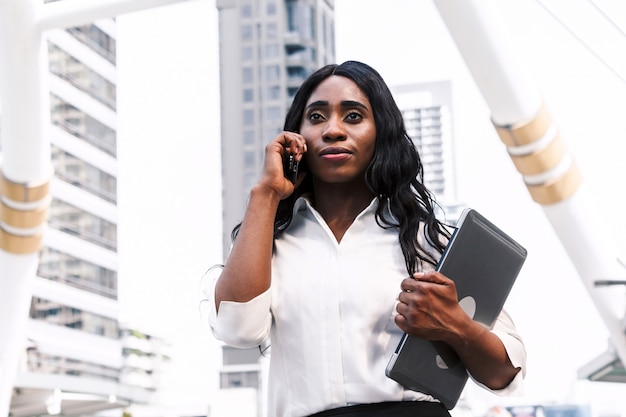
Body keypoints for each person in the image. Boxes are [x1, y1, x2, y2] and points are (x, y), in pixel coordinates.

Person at [202, 60, 526, 417]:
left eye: (354, 116)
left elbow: (504, 374)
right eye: (316, 117)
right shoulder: (268, 243)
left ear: (381, 131)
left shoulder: (427, 240)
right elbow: (236, 330)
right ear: (297, 136)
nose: (334, 130)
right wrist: (265, 193)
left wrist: (456, 325)